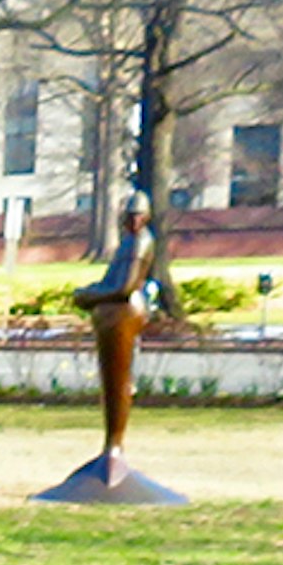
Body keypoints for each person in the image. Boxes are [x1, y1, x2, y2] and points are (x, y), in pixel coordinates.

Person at [73, 197, 157, 481]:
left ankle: (115, 445)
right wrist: (90, 291)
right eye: (130, 215)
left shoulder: (141, 244)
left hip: (124, 314)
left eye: (139, 215)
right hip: (111, 316)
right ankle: (110, 445)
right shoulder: (126, 243)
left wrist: (90, 296)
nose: (134, 220)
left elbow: (124, 287)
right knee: (110, 378)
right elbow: (111, 281)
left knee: (119, 378)